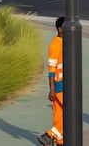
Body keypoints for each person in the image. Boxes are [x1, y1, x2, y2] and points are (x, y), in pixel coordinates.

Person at [38, 17, 65, 146]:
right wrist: (52, 89)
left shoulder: (62, 42)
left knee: (59, 115)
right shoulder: (56, 44)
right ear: (60, 29)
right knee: (68, 115)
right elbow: (51, 69)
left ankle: (59, 140)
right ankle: (49, 135)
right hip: (60, 85)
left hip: (62, 85)